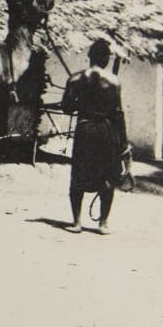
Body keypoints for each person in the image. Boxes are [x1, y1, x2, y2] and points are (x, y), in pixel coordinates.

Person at [61, 38, 129, 234]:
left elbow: (66, 108)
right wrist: (124, 144)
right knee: (107, 176)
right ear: (107, 58)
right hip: (106, 131)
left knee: (78, 175)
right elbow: (118, 114)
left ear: (90, 56)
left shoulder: (75, 79)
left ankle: (76, 222)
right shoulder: (114, 82)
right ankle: (103, 224)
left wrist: (79, 101)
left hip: (84, 129)